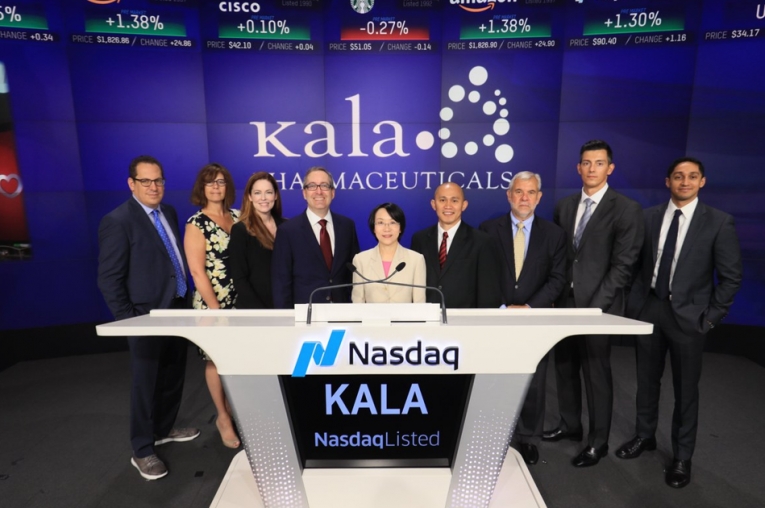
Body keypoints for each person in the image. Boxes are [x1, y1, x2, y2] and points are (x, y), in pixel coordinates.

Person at [616, 157, 742, 488]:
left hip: (690, 319)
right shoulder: (648, 217)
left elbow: (731, 277)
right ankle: (645, 436)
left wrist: (710, 318)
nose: (685, 182)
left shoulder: (719, 222)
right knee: (646, 381)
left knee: (686, 391)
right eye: (678, 176)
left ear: (702, 181)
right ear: (667, 181)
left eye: (692, 176)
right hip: (650, 310)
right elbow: (633, 265)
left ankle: (682, 456)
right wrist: (634, 305)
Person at [97, 155, 199, 481]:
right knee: (146, 383)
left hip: (178, 308)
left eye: (158, 180)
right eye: (146, 181)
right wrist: (130, 320)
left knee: (173, 374)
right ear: (132, 183)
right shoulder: (117, 221)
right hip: (145, 316)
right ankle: (142, 449)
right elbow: (109, 279)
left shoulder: (168, 212)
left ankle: (164, 429)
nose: (154, 187)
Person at [543, 140, 644, 467]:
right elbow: (560, 257)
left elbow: (623, 266)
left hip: (599, 307)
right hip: (564, 302)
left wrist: (594, 307)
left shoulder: (626, 208)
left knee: (596, 373)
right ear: (578, 167)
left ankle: (597, 442)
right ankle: (570, 425)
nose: (591, 169)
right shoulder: (564, 206)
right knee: (565, 366)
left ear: (610, 168)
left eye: (599, 163)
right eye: (586, 163)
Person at [479, 171, 566, 465]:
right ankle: (494, 434)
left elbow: (557, 279)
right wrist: (501, 306)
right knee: (494, 377)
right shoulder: (488, 229)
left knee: (534, 380)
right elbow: (483, 273)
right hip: (497, 315)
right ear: (509, 195)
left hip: (534, 318)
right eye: (518, 192)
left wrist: (529, 307)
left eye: (530, 192)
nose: (524, 198)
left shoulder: (554, 234)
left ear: (539, 197)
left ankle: (529, 438)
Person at [184, 163, 240, 449]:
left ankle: (236, 409)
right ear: (201, 188)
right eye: (210, 183)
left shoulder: (239, 216)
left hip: (243, 302)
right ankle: (223, 417)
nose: (216, 187)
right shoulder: (196, 224)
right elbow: (197, 272)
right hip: (213, 302)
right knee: (216, 360)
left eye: (220, 182)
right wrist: (216, 309)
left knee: (239, 358)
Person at [272, 166, 360, 308]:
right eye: (312, 186)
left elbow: (354, 273)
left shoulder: (347, 226)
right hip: (305, 313)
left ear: (332, 193)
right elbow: (281, 282)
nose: (319, 191)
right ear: (304, 193)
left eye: (324, 186)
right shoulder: (288, 231)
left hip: (342, 311)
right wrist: (287, 317)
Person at [410, 182, 503, 308]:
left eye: (454, 201)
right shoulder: (419, 239)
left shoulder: (482, 241)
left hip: (464, 317)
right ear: (433, 204)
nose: (448, 206)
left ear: (464, 205)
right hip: (428, 316)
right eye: (442, 200)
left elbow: (488, 292)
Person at [229, 172, 286, 309]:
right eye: (257, 193)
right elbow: (239, 279)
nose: (263, 198)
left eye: (268, 192)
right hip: (254, 311)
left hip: (285, 307)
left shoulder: (287, 227)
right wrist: (261, 313)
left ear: (275, 195)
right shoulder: (240, 230)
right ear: (250, 197)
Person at [351, 203, 426, 303]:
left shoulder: (416, 260)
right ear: (374, 228)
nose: (387, 228)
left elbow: (419, 303)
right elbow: (357, 302)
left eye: (392, 222)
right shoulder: (360, 260)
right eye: (380, 222)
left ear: (400, 228)